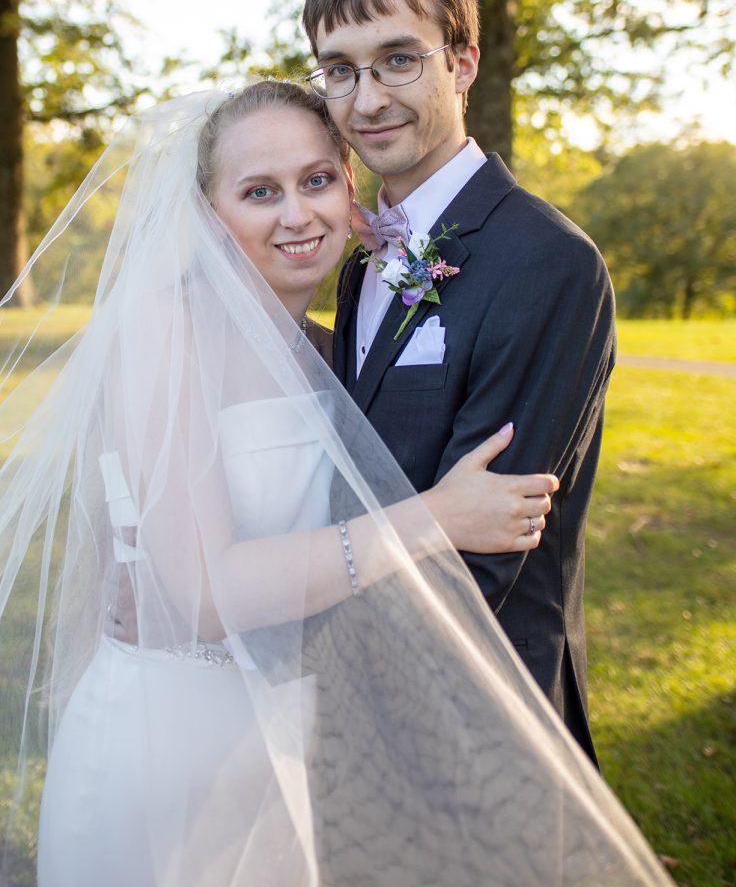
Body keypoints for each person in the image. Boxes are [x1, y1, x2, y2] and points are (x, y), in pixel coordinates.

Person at [0, 82, 669, 887]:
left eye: (316, 180)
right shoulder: (167, 328)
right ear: (210, 214)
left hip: (292, 737)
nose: (296, 214)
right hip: (168, 743)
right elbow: (205, 594)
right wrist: (434, 518)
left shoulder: (334, 351)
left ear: (351, 191)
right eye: (260, 192)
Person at [303, 0, 617, 763]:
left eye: (398, 59)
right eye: (340, 68)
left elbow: (483, 554)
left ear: (464, 61)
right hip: (361, 723)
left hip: (482, 721)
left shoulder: (548, 262)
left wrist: (282, 648)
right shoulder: (363, 251)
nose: (366, 100)